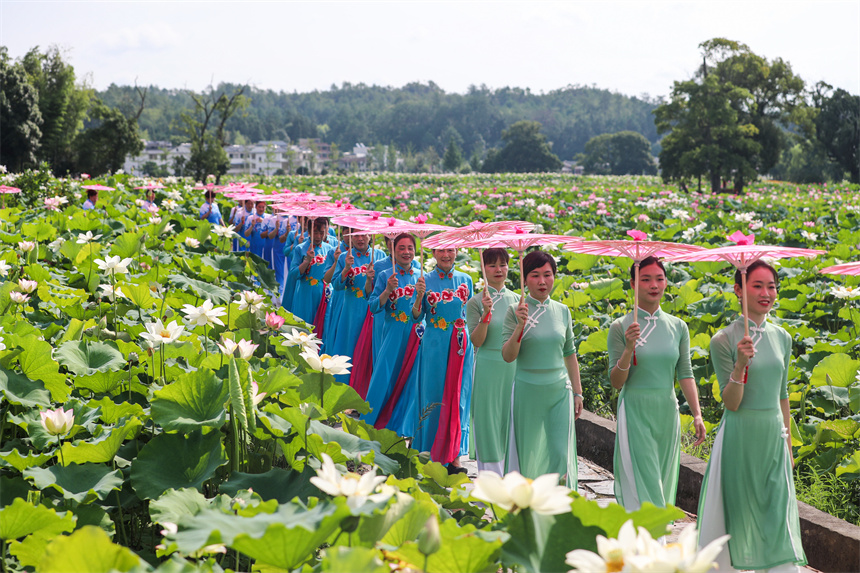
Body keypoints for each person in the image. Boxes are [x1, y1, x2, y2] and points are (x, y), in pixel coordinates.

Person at [698, 260, 806, 572]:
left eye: (771, 286)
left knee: (775, 511)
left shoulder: (782, 337)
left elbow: (782, 393)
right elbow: (731, 404)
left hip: (773, 434)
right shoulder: (724, 340)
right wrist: (740, 366)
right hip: (740, 434)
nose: (766, 293)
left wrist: (788, 442)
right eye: (757, 285)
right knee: (742, 513)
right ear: (738, 290)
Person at [607, 256, 706, 511]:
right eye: (646, 279)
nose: (654, 285)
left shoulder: (678, 327)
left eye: (659, 279)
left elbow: (685, 373)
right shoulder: (620, 327)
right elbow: (617, 382)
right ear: (633, 284)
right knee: (645, 483)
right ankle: (653, 543)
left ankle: (647, 541)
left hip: (667, 410)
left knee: (662, 479)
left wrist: (697, 414)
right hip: (635, 409)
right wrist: (628, 348)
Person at [502, 250, 582, 488]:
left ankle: (561, 507)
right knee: (528, 453)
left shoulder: (562, 311)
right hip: (527, 390)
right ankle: (529, 506)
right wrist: (519, 326)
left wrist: (577, 392)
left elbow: (570, 353)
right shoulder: (513, 311)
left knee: (560, 453)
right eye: (535, 275)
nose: (542, 281)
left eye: (547, 275)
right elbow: (508, 356)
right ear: (524, 280)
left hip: (559, 391)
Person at [413, 247, 474, 474]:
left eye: (450, 250)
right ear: (434, 253)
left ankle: (455, 456)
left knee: (459, 397)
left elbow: (470, 313)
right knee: (434, 396)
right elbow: (416, 316)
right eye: (441, 251)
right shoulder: (424, 280)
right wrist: (419, 296)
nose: (446, 255)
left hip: (460, 346)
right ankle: (429, 452)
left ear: (457, 251)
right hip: (434, 346)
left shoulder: (466, 279)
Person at [362, 233, 425, 437]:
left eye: (410, 248)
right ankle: (371, 425)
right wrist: (387, 290)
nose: (406, 252)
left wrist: (422, 294)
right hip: (392, 334)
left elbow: (423, 312)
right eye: (401, 248)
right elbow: (373, 307)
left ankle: (403, 428)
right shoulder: (385, 276)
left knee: (411, 380)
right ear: (393, 250)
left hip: (416, 336)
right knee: (384, 377)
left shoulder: (423, 277)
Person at [466, 248, 520, 475]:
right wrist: (486, 314)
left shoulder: (519, 300)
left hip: (514, 369)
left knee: (512, 421)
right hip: (487, 367)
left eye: (503, 264)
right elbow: (477, 341)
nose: (498, 270)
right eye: (492, 265)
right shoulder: (475, 302)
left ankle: (513, 477)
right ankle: (490, 480)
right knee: (488, 422)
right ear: (483, 268)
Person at [329, 231, 386, 383]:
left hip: (373, 310)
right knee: (349, 345)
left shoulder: (380, 256)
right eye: (356, 236)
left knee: (370, 347)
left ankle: (366, 385)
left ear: (371, 236)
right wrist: (346, 268)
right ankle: (343, 384)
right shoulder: (344, 257)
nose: (360, 239)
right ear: (350, 238)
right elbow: (336, 285)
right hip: (352, 310)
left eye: (364, 235)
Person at [288, 217, 336, 325]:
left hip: (325, 293)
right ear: (308, 232)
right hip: (305, 293)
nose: (319, 236)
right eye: (315, 232)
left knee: (324, 323)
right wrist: (306, 261)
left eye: (322, 233)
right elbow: (294, 274)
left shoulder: (330, 249)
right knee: (305, 323)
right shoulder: (300, 249)